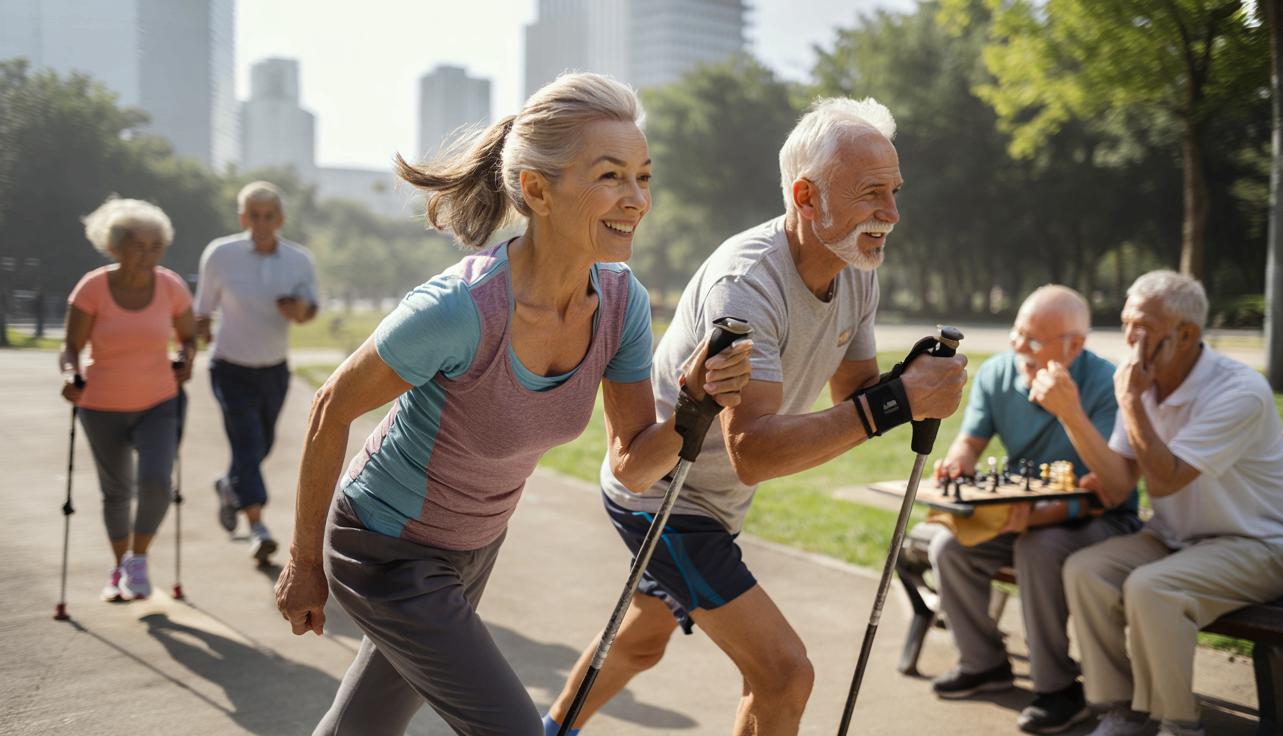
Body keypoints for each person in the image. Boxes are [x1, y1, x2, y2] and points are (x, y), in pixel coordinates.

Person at [272, 72, 752, 736]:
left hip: (473, 548)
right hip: (386, 547)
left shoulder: (621, 303)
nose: (637, 199)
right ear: (537, 190)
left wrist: (697, 407)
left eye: (644, 177)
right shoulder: (461, 310)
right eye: (611, 176)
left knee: (362, 727)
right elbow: (331, 406)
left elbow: (635, 465)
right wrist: (303, 563)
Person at [544, 97, 968, 736]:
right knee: (783, 674)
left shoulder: (855, 268)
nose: (892, 213)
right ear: (806, 197)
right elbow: (755, 451)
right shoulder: (746, 285)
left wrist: (909, 383)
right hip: (663, 495)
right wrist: (895, 402)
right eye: (871, 193)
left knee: (642, 642)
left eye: (895, 191)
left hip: (717, 502)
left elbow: (854, 393)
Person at [1061, 271, 1283, 736]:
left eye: (1142, 326)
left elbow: (1167, 480)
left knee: (1153, 588)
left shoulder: (1239, 391)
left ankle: (1177, 725)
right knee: (1086, 570)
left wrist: (1131, 402)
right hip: (1175, 538)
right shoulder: (1141, 382)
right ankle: (1122, 710)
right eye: (1126, 323)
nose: (1130, 338)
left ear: (1187, 334)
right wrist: (1070, 413)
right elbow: (1119, 484)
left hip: (1260, 546)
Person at [925, 285, 1140, 734]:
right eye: (1017, 332)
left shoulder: (1106, 383)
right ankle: (984, 663)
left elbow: (1110, 489)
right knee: (949, 548)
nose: (1019, 346)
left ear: (1075, 346)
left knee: (1039, 548)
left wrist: (1068, 410)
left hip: (1099, 521)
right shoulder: (997, 372)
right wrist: (959, 460)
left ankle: (1057, 687)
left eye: (1034, 340)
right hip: (1020, 511)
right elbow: (970, 441)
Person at [59, 197, 196, 601]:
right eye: (139, 245)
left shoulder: (171, 286)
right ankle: (119, 566)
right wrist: (70, 375)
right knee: (116, 491)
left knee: (156, 482)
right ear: (114, 246)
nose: (149, 254)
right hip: (101, 405)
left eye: (157, 246)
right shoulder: (92, 288)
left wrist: (186, 357)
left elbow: (188, 338)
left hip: (159, 401)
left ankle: (138, 560)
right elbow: (71, 347)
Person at [194, 181, 318, 564]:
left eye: (269, 216)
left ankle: (228, 485)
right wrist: (193, 342)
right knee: (247, 443)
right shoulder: (220, 254)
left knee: (261, 446)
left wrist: (299, 310)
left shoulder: (299, 260)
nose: (261, 223)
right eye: (254, 216)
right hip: (229, 367)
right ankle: (258, 526)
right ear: (242, 218)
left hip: (274, 370)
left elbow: (310, 310)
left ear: (280, 219)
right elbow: (202, 311)